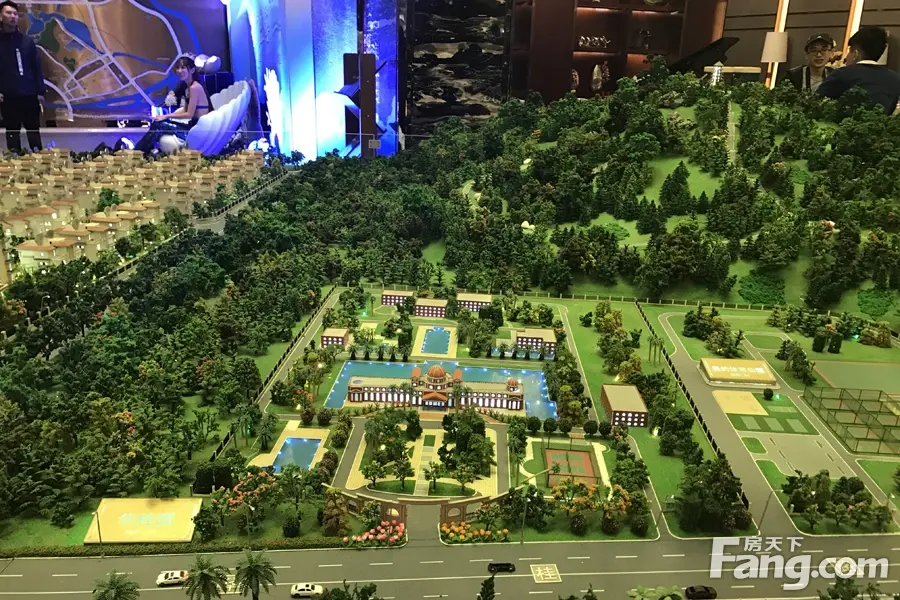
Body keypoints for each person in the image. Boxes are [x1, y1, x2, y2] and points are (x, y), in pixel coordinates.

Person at [134, 55, 212, 155]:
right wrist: (164, 116)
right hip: (192, 127)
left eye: (183, 68)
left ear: (192, 70)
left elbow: (189, 114)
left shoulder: (195, 87)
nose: (179, 71)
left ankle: (137, 153)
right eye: (178, 68)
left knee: (160, 125)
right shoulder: (188, 87)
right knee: (159, 123)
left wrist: (166, 116)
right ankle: (142, 152)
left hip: (196, 131)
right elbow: (185, 110)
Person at [817, 26, 900, 114]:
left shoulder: (841, 74)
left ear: (855, 54)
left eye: (849, 51)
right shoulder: (895, 79)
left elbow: (816, 104)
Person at [0, 0, 45, 153]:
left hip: (29, 96)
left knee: (34, 133)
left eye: (15, 14)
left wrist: (40, 92)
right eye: (8, 13)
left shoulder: (27, 41)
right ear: (1, 16)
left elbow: (36, 67)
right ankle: (14, 162)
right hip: (8, 97)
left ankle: (39, 161)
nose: (13, 16)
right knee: (12, 134)